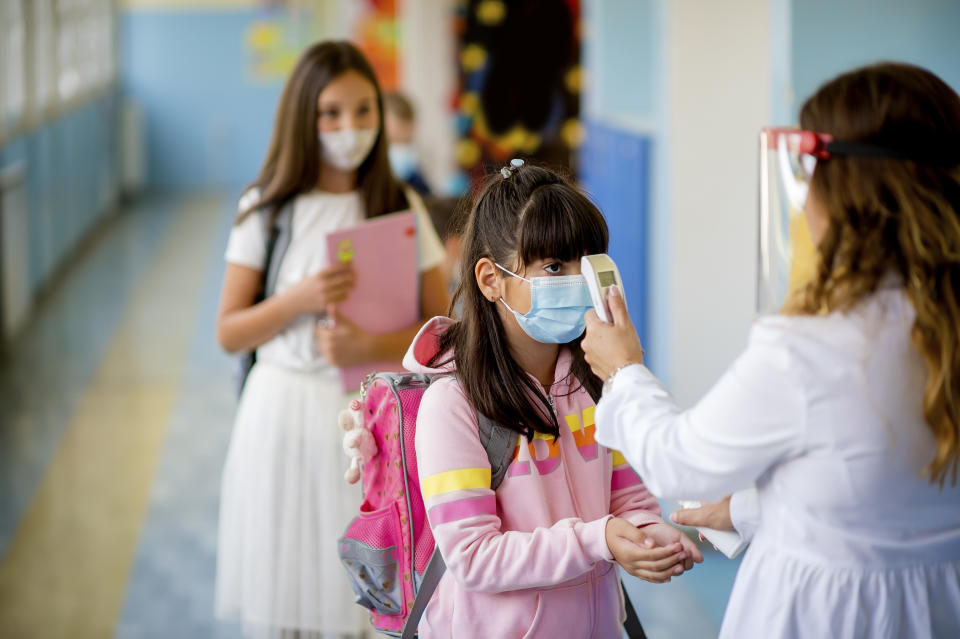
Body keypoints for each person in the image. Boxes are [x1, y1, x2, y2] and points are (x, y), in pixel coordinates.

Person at [582, 62, 960, 638]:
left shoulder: (811, 350)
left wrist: (624, 370)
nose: (804, 201)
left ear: (849, 192)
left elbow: (678, 459)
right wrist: (746, 509)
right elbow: (877, 493)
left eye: (811, 176)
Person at [405, 162, 701, 638]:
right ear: (490, 279)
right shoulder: (453, 404)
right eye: (553, 266)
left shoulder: (595, 381)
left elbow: (626, 493)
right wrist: (596, 540)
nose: (576, 281)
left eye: (586, 264)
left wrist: (646, 530)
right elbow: (474, 558)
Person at [214, 41, 448, 638]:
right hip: (280, 412)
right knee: (287, 578)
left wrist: (368, 346)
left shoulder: (399, 205)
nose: (350, 128)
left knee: (366, 593)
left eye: (364, 111)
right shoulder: (265, 210)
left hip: (370, 426)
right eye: (332, 113)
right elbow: (229, 330)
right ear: (304, 118)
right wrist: (298, 300)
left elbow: (442, 330)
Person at [383, 91, 431, 195]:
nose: (402, 149)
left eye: (407, 142)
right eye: (395, 142)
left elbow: (426, 195)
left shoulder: (413, 166)